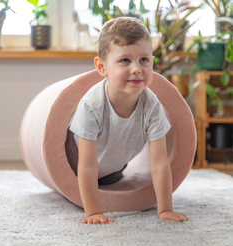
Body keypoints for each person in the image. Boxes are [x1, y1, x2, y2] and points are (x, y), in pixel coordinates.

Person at [70, 17, 188, 225]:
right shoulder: (92, 105)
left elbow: (160, 161)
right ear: (102, 67)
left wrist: (165, 209)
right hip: (76, 165)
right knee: (85, 169)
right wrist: (93, 212)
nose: (137, 68)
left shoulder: (151, 105)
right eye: (125, 60)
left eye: (144, 60)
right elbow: (86, 165)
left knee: (112, 177)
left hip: (113, 172)